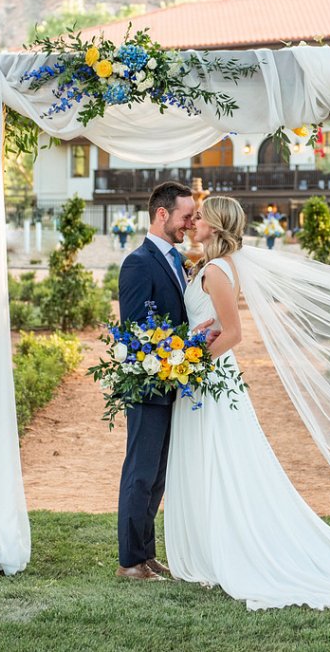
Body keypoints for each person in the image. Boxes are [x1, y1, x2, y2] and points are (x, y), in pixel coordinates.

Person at [163, 195, 330, 609]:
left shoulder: (215, 270)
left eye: (201, 218)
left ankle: (228, 549)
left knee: (221, 460)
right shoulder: (215, 266)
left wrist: (191, 365)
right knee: (210, 458)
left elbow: (233, 333)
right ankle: (214, 544)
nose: (194, 222)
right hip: (205, 376)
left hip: (209, 377)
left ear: (215, 225)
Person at [115, 181, 199, 582]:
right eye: (186, 215)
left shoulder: (176, 260)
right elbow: (134, 332)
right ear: (162, 214)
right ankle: (130, 561)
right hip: (148, 386)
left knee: (158, 474)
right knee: (141, 472)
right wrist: (165, 362)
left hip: (171, 383)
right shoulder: (138, 262)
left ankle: (147, 555)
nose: (191, 222)